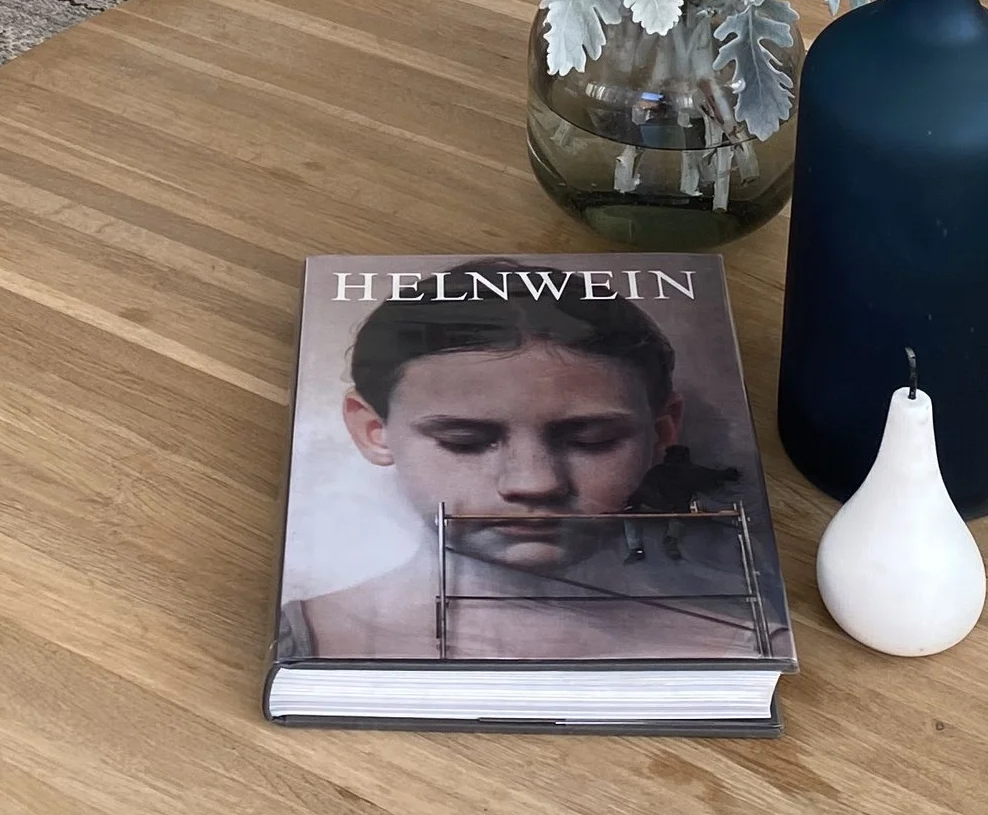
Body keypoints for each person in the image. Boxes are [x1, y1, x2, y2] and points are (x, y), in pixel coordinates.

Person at [280, 262, 746, 664]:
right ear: (374, 432)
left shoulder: (746, 643)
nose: (535, 483)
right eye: (465, 442)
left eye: (592, 440)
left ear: (662, 433)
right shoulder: (302, 635)